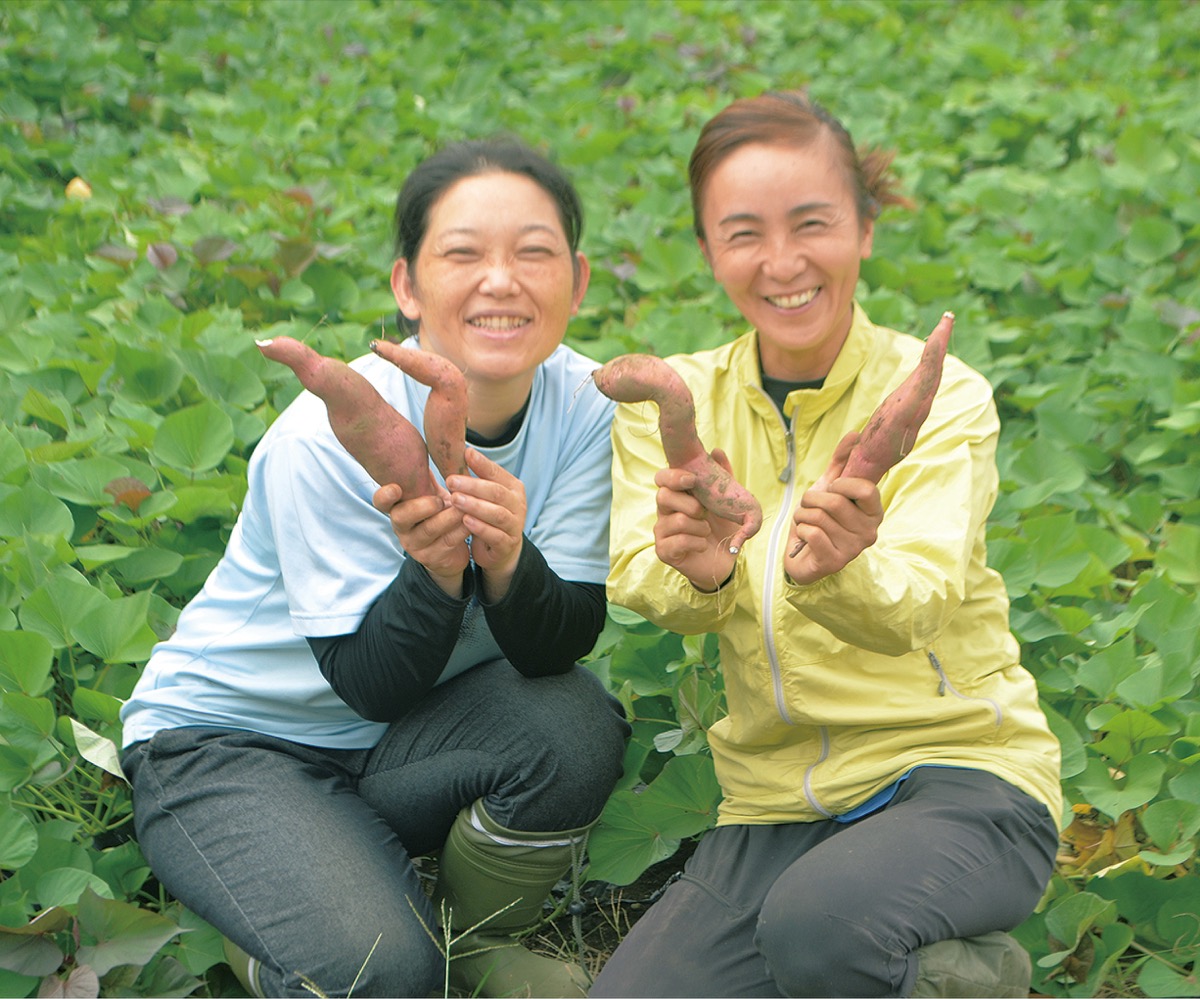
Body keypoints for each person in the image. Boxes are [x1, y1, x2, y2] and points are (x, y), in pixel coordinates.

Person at [119, 137, 630, 999]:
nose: (501, 280)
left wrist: (506, 559)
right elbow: (367, 680)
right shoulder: (327, 435)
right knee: (378, 973)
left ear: (575, 282)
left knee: (576, 727)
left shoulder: (587, 409)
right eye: (463, 253)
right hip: (232, 746)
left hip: (399, 742)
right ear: (406, 286)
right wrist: (434, 572)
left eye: (532, 252)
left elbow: (559, 642)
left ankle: (465, 934)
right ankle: (278, 915)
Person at [589, 92, 1062, 999]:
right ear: (706, 251)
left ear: (865, 228)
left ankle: (949, 975)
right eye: (743, 234)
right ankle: (898, 961)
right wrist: (704, 569)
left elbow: (919, 597)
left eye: (813, 223)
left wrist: (843, 567)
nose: (782, 263)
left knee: (822, 926)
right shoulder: (674, 398)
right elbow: (642, 573)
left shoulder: (944, 397)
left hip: (960, 778)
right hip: (773, 802)